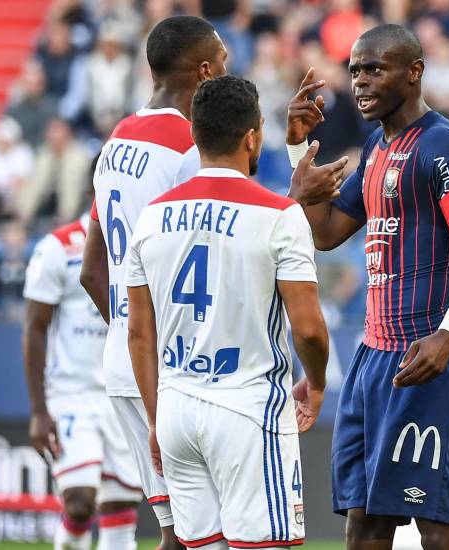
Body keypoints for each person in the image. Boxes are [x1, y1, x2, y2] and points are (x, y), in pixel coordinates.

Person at [286, 23, 449, 550]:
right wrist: (297, 152)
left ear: (414, 73)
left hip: (428, 353)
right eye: (355, 70)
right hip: (373, 356)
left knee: (439, 531)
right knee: (363, 525)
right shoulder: (380, 148)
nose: (360, 81)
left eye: (374, 69)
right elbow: (328, 232)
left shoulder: (442, 143)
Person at [125, 75, 330, 549]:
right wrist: (315, 384)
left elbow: (139, 332)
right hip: (247, 411)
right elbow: (310, 330)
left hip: (176, 410)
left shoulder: (152, 216)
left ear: (195, 136)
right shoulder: (280, 215)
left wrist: (157, 420)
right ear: (252, 136)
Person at [79, 16, 228, 550]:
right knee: (211, 536)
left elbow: (90, 272)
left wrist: (128, 329)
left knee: (177, 534)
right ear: (206, 71)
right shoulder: (191, 146)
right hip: (176, 369)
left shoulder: (118, 138)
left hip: (123, 362)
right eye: (224, 65)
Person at [22, 208, 142, 550]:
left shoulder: (140, 237)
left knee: (121, 506)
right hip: (71, 393)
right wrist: (39, 411)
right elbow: (34, 327)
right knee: (79, 502)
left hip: (123, 389)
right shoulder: (59, 247)